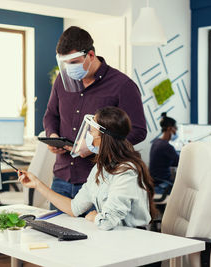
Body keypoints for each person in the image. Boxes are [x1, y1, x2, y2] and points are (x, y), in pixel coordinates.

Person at [43, 26, 147, 207]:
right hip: (61, 178)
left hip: (99, 180)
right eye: (65, 64)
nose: (69, 68)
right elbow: (51, 116)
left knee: (94, 234)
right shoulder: (62, 80)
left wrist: (94, 147)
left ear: (90, 55)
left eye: (74, 62)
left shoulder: (123, 85)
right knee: (55, 233)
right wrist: (52, 137)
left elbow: (138, 131)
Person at [20, 107, 156, 230]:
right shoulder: (100, 168)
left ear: (103, 137)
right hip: (113, 238)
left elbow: (107, 222)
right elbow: (74, 208)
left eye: (91, 130)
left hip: (133, 241)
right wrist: (37, 184)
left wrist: (94, 217)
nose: (88, 135)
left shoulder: (126, 172)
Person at [149, 112, 179, 194]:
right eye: (175, 128)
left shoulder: (156, 142)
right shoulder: (166, 146)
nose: (176, 131)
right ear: (169, 128)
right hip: (162, 185)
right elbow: (179, 162)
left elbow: (166, 161)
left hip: (155, 183)